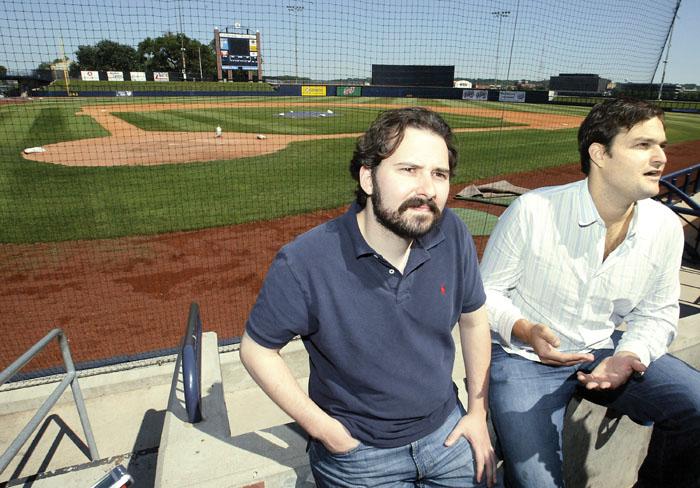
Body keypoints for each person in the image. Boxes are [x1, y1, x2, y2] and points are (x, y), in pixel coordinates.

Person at [240, 107, 496, 487]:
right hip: (360, 457)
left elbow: (474, 318)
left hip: (447, 433)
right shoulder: (306, 260)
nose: (427, 188)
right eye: (408, 170)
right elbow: (256, 350)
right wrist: (325, 431)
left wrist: (477, 411)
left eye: (438, 174)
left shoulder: (452, 233)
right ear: (368, 177)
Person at [480, 97, 700, 488]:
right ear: (600, 153)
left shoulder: (665, 227)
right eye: (643, 145)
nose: (661, 158)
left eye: (661, 145)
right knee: (535, 481)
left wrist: (630, 355)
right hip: (524, 357)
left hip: (605, 345)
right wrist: (525, 329)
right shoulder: (532, 210)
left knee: (696, 406)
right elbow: (486, 295)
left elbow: (658, 312)